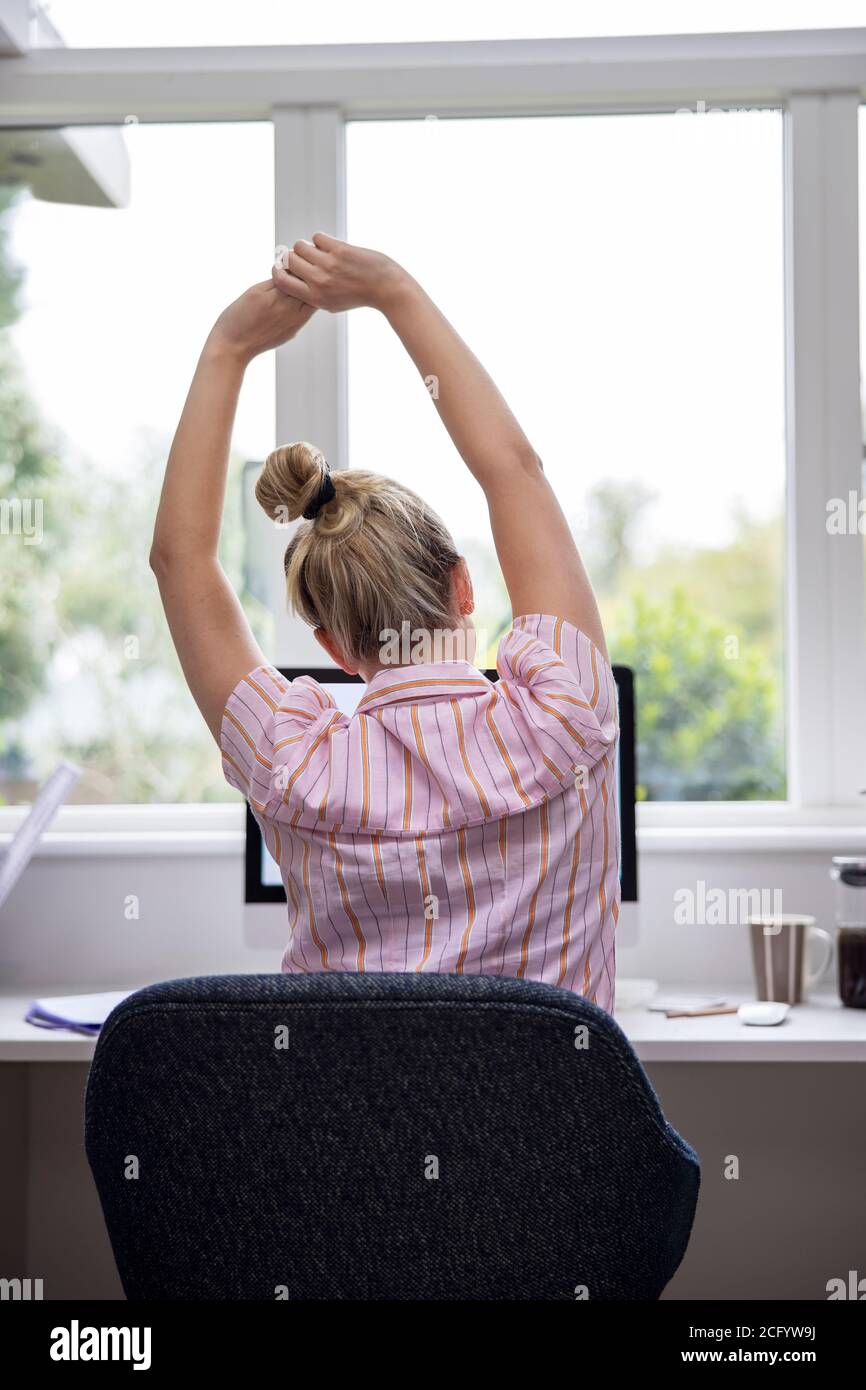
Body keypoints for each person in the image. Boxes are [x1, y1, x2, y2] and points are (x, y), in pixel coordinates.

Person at [150, 234, 620, 1008]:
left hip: (342, 1135)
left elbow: (180, 562)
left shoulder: (291, 763)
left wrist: (226, 352)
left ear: (330, 645)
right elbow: (514, 471)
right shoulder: (563, 706)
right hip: (562, 1132)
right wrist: (392, 291)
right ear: (463, 585)